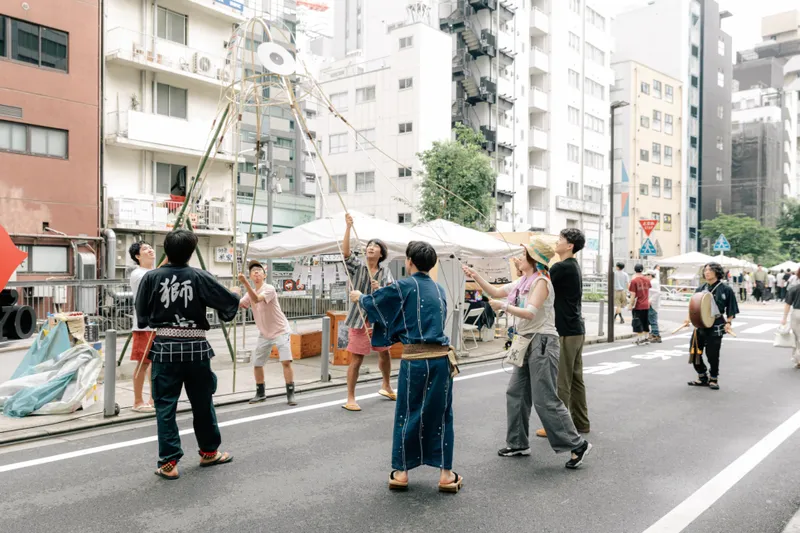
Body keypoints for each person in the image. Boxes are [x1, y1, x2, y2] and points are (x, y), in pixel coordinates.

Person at [465, 239, 592, 468]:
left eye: (524, 254)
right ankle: (517, 443)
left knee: (544, 397)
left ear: (533, 259)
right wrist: (475, 275)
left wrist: (502, 306)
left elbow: (531, 313)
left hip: (542, 341)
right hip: (525, 341)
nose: (519, 257)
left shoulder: (541, 282)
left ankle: (577, 444)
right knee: (516, 392)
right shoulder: (523, 281)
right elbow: (495, 290)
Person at [351, 241, 462, 493]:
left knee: (407, 413)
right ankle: (446, 475)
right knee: (442, 415)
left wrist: (362, 297)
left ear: (410, 262)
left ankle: (401, 473)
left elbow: (378, 305)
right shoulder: (439, 288)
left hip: (414, 361)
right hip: (441, 359)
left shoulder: (402, 286)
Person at [135, 229, 239, 480]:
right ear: (191, 252)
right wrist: (235, 294)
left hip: (165, 348)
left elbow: (142, 316)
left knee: (165, 406)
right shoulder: (200, 276)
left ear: (166, 251)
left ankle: (169, 463)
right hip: (197, 349)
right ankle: (208, 452)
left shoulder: (151, 278)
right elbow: (228, 304)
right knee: (202, 403)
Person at [536, 228, 590, 438]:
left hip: (566, 330)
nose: (556, 242)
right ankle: (581, 422)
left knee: (562, 380)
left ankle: (558, 427)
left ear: (569, 245)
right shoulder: (573, 266)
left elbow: (540, 283)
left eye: (560, 240)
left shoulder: (561, 267)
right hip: (576, 328)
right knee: (576, 379)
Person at [341, 213, 395, 412]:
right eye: (369, 245)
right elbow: (345, 253)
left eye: (375, 246)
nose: (370, 247)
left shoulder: (385, 272)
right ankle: (350, 397)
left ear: (382, 253)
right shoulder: (358, 266)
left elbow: (390, 296)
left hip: (378, 322)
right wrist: (348, 227)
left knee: (385, 353)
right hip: (359, 320)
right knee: (357, 358)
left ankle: (386, 385)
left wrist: (379, 287)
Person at [237, 261, 297, 406]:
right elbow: (240, 304)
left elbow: (257, 299)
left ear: (264, 275)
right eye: (253, 271)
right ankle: (260, 393)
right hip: (264, 333)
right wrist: (234, 293)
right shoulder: (250, 292)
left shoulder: (268, 288)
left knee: (286, 361)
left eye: (259, 270)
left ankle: (290, 394)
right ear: (251, 276)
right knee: (257, 363)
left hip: (280, 330)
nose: (256, 273)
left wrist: (245, 283)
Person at [684, 262, 739, 391]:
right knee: (694, 352)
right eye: (705, 270)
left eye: (709, 270)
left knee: (712, 354)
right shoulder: (700, 288)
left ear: (717, 272)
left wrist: (728, 322)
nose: (706, 272)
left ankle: (713, 378)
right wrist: (688, 318)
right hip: (699, 325)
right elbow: (693, 307)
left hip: (716, 324)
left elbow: (731, 308)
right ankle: (702, 376)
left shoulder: (726, 289)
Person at [129, 241, 156, 413]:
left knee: (155, 364)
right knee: (143, 364)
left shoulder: (153, 272)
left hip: (156, 325)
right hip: (143, 325)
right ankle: (138, 401)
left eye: (150, 247)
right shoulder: (137, 273)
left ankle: (153, 400)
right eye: (145, 249)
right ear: (138, 257)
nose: (150, 250)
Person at [628, 264, 651, 345]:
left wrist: (630, 304)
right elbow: (649, 291)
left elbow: (633, 294)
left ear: (635, 270)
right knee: (645, 322)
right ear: (642, 270)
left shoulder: (634, 281)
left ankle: (640, 339)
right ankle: (646, 338)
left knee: (638, 322)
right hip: (646, 304)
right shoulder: (647, 280)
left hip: (638, 305)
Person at [781, 277, 800, 368]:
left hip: (796, 313)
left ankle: (797, 359)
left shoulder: (794, 288)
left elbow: (788, 304)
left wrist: (784, 318)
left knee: (796, 337)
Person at [647, 270, 662, 343]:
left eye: (646, 275)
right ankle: (654, 334)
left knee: (652, 320)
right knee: (652, 319)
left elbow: (657, 293)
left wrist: (650, 300)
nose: (646, 277)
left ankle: (656, 335)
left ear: (650, 275)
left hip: (652, 304)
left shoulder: (653, 282)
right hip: (653, 304)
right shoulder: (654, 281)